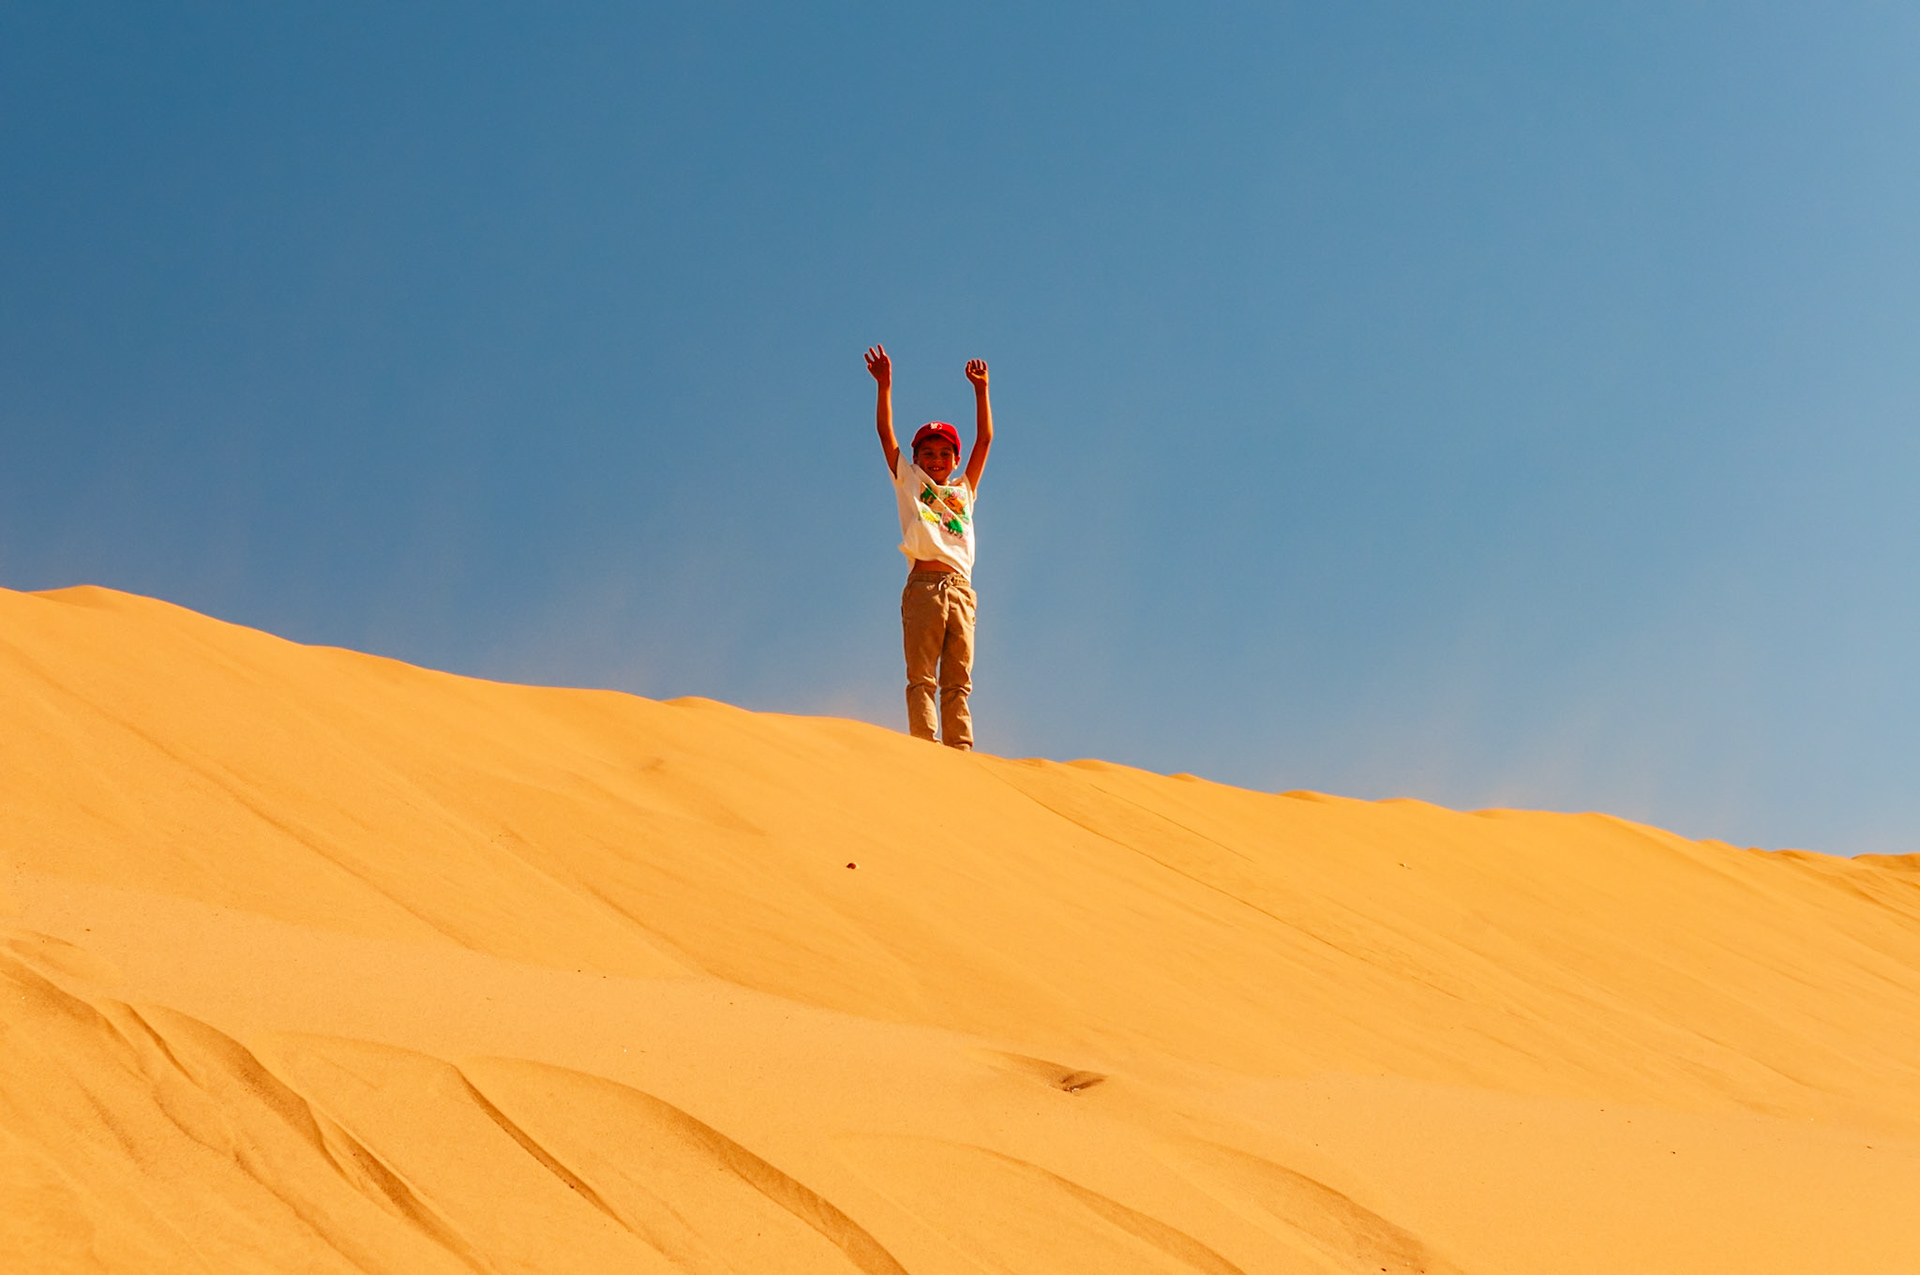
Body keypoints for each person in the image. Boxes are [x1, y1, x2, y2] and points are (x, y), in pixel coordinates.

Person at [865, 343, 993, 749]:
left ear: (954, 459)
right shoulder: (910, 482)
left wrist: (981, 391)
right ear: (917, 458)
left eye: (944, 453)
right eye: (928, 453)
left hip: (962, 594)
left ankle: (961, 751)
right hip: (923, 588)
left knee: (959, 681)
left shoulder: (964, 490)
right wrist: (885, 386)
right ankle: (924, 746)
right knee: (922, 675)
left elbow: (985, 440)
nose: (936, 459)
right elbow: (886, 435)